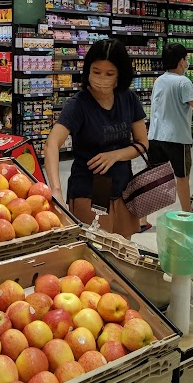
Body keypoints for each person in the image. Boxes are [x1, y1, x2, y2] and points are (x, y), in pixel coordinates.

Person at [44, 39, 148, 239]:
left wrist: (115, 155)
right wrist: (55, 190)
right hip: (91, 187)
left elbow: (143, 143)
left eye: (109, 74)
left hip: (123, 186)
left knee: (123, 248)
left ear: (120, 75)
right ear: (88, 71)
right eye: (96, 72)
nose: (101, 79)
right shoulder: (78, 105)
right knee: (98, 248)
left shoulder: (128, 99)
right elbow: (52, 144)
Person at [147, 43, 193, 217]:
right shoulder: (183, 82)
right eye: (186, 59)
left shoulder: (159, 80)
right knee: (182, 178)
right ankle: (187, 214)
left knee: (154, 177)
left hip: (155, 135)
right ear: (182, 61)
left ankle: (142, 219)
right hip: (177, 138)